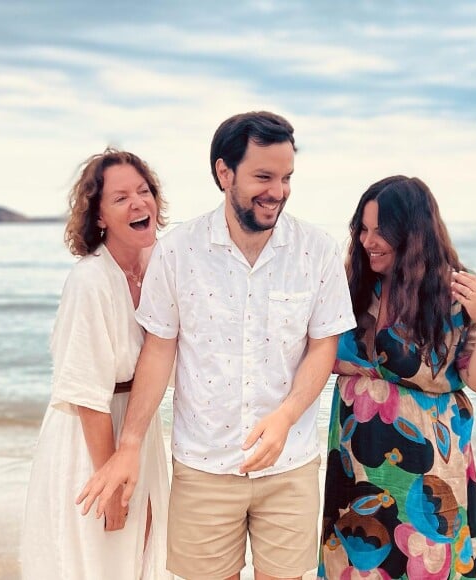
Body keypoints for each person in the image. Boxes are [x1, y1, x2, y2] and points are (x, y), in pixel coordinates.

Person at [77, 111, 356, 580]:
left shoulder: (318, 250)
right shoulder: (177, 251)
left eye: (286, 177)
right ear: (224, 173)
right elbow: (159, 350)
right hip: (202, 465)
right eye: (263, 176)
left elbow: (323, 347)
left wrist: (285, 416)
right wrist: (128, 446)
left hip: (289, 465)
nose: (278, 191)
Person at [317, 176, 476, 579]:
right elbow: (315, 355)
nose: (368, 241)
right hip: (356, 468)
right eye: (362, 229)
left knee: (426, 561)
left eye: (380, 231)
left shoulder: (454, 292)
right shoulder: (351, 285)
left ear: (413, 231)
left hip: (430, 469)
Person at [20, 149, 173, 580]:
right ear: (99, 216)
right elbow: (87, 396)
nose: (139, 203)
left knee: (143, 555)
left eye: (144, 191)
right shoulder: (89, 282)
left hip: (138, 429)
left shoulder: (159, 265)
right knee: (98, 559)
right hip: (93, 437)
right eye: (121, 197)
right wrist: (112, 488)